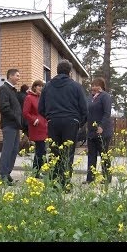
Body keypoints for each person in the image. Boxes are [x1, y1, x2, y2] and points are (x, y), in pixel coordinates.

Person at [38, 59, 88, 189]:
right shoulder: (76, 86)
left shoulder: (47, 86)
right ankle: (65, 183)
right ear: (70, 72)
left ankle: (55, 183)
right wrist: (79, 122)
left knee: (54, 152)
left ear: (57, 70)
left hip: (53, 122)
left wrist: (49, 118)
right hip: (71, 122)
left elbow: (40, 108)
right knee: (68, 153)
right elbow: (84, 108)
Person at [84, 77, 113, 184]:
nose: (93, 87)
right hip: (91, 131)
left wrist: (101, 126)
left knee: (104, 155)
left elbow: (107, 113)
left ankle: (107, 178)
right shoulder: (90, 98)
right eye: (92, 85)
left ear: (101, 87)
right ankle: (90, 178)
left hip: (103, 131)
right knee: (91, 155)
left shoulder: (105, 97)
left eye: (96, 85)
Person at [0, 68, 22, 185]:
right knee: (7, 151)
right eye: (17, 75)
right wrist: (16, 119)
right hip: (9, 125)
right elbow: (5, 108)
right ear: (10, 76)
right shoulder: (3, 89)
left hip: (15, 126)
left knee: (14, 150)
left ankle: (7, 173)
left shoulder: (12, 90)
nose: (19, 77)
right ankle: (2, 176)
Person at [22, 79, 47, 178]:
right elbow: (25, 112)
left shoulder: (42, 98)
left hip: (44, 127)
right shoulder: (29, 97)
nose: (40, 88)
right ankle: (35, 172)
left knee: (42, 151)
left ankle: (38, 171)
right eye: (38, 86)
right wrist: (34, 120)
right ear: (34, 87)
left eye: (42, 86)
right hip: (36, 128)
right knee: (40, 151)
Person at [16, 84, 30, 148]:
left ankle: (24, 149)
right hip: (25, 118)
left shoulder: (17, 95)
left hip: (20, 117)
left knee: (25, 133)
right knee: (27, 133)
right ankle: (20, 146)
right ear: (26, 89)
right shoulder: (26, 97)